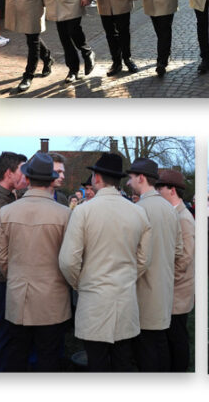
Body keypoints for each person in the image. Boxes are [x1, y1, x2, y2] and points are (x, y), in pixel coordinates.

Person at [58, 153, 152, 372]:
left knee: (97, 362)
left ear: (97, 178)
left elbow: (67, 261)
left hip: (94, 301)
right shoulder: (138, 213)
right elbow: (144, 260)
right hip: (125, 299)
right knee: (123, 361)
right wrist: (126, 277)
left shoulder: (83, 211)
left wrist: (80, 283)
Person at [0, 153, 71, 372]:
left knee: (17, 355)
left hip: (19, 298)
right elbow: (69, 258)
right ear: (50, 179)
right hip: (53, 299)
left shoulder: (7, 211)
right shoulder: (64, 214)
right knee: (49, 357)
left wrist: (15, 274)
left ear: (28, 179)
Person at [126, 157, 182, 372]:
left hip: (143, 288)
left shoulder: (138, 209)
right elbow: (178, 250)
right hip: (165, 287)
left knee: (146, 348)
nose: (129, 183)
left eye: (131, 178)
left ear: (141, 178)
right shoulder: (171, 209)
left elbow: (133, 253)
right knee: (159, 344)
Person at [0, 151, 27, 372]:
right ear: (9, 173)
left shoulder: (6, 196)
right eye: (23, 171)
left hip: (1, 271)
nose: (26, 176)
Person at [155, 169, 194, 372]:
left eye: (159, 188)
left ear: (171, 190)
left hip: (177, 291)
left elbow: (185, 257)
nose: (157, 191)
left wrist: (167, 282)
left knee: (177, 337)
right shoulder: (174, 214)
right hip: (172, 289)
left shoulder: (183, 218)